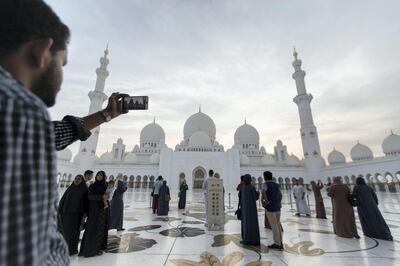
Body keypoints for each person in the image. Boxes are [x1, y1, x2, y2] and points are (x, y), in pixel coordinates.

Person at [0, 1, 128, 265]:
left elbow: (51, 134)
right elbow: (28, 249)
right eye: (62, 63)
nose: (60, 77)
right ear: (41, 51)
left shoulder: (16, 119)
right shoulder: (20, 107)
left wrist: (105, 115)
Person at [79, 171, 109, 257]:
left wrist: (106, 199)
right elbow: (89, 196)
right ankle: (88, 249)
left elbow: (108, 195)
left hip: (103, 209)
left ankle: (98, 248)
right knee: (91, 228)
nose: (99, 177)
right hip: (94, 209)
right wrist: (101, 197)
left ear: (104, 177)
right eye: (98, 175)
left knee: (101, 228)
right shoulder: (92, 186)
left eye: (101, 175)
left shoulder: (105, 185)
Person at [58, 175, 88, 255]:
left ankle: (71, 249)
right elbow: (63, 200)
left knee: (73, 233)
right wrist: (59, 211)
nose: (76, 180)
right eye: (75, 179)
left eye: (78, 179)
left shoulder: (84, 190)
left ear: (82, 181)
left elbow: (86, 203)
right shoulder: (70, 188)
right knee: (64, 231)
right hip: (65, 214)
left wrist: (84, 215)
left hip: (76, 216)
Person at [262, 171, 284, 250]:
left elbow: (263, 193)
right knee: (278, 224)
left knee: (274, 225)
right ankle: (280, 242)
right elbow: (280, 195)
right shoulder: (276, 185)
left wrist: (266, 201)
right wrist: (279, 202)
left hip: (270, 207)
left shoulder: (265, 184)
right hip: (277, 207)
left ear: (265, 177)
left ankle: (277, 243)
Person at [239, 174, 260, 246]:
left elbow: (239, 197)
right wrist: (258, 193)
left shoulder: (243, 188)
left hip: (244, 209)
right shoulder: (251, 188)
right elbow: (256, 197)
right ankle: (254, 240)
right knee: (253, 224)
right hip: (252, 210)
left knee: (245, 223)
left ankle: (246, 239)